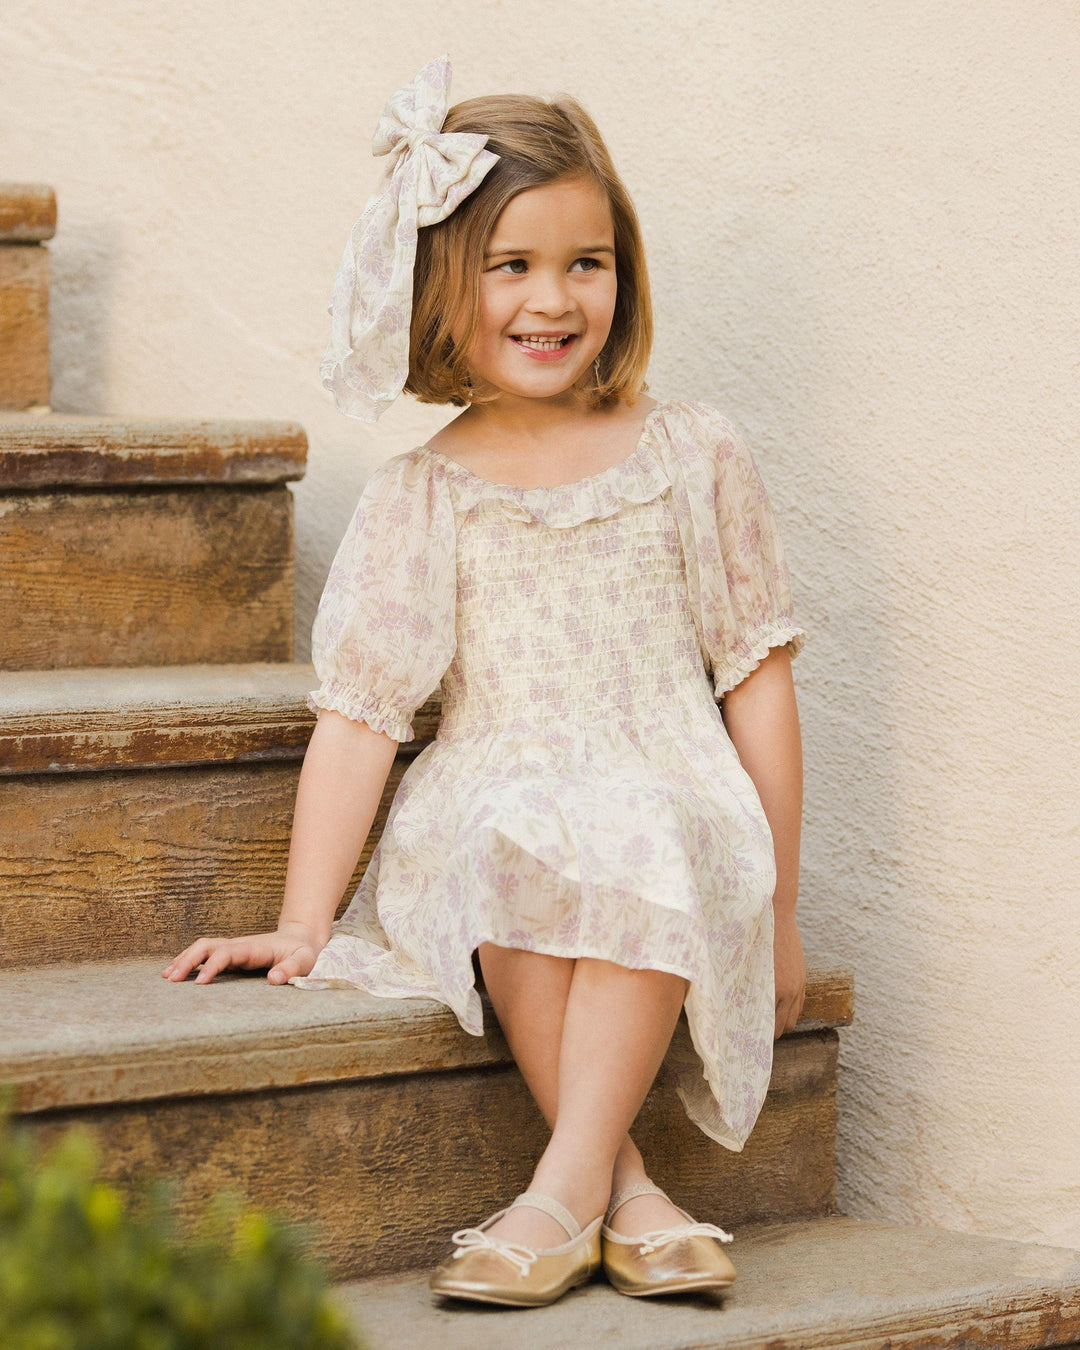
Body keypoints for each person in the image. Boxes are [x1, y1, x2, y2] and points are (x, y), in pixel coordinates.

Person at [162, 54, 808, 1309]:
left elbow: (758, 679)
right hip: (494, 791)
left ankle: (563, 1198)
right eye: (510, 265)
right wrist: (303, 921)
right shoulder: (424, 493)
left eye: (586, 263)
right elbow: (362, 718)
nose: (551, 299)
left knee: (642, 821)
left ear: (624, 274)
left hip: (668, 781)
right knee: (516, 835)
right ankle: (619, 1192)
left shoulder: (695, 453)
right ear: (441, 286)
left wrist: (779, 904)